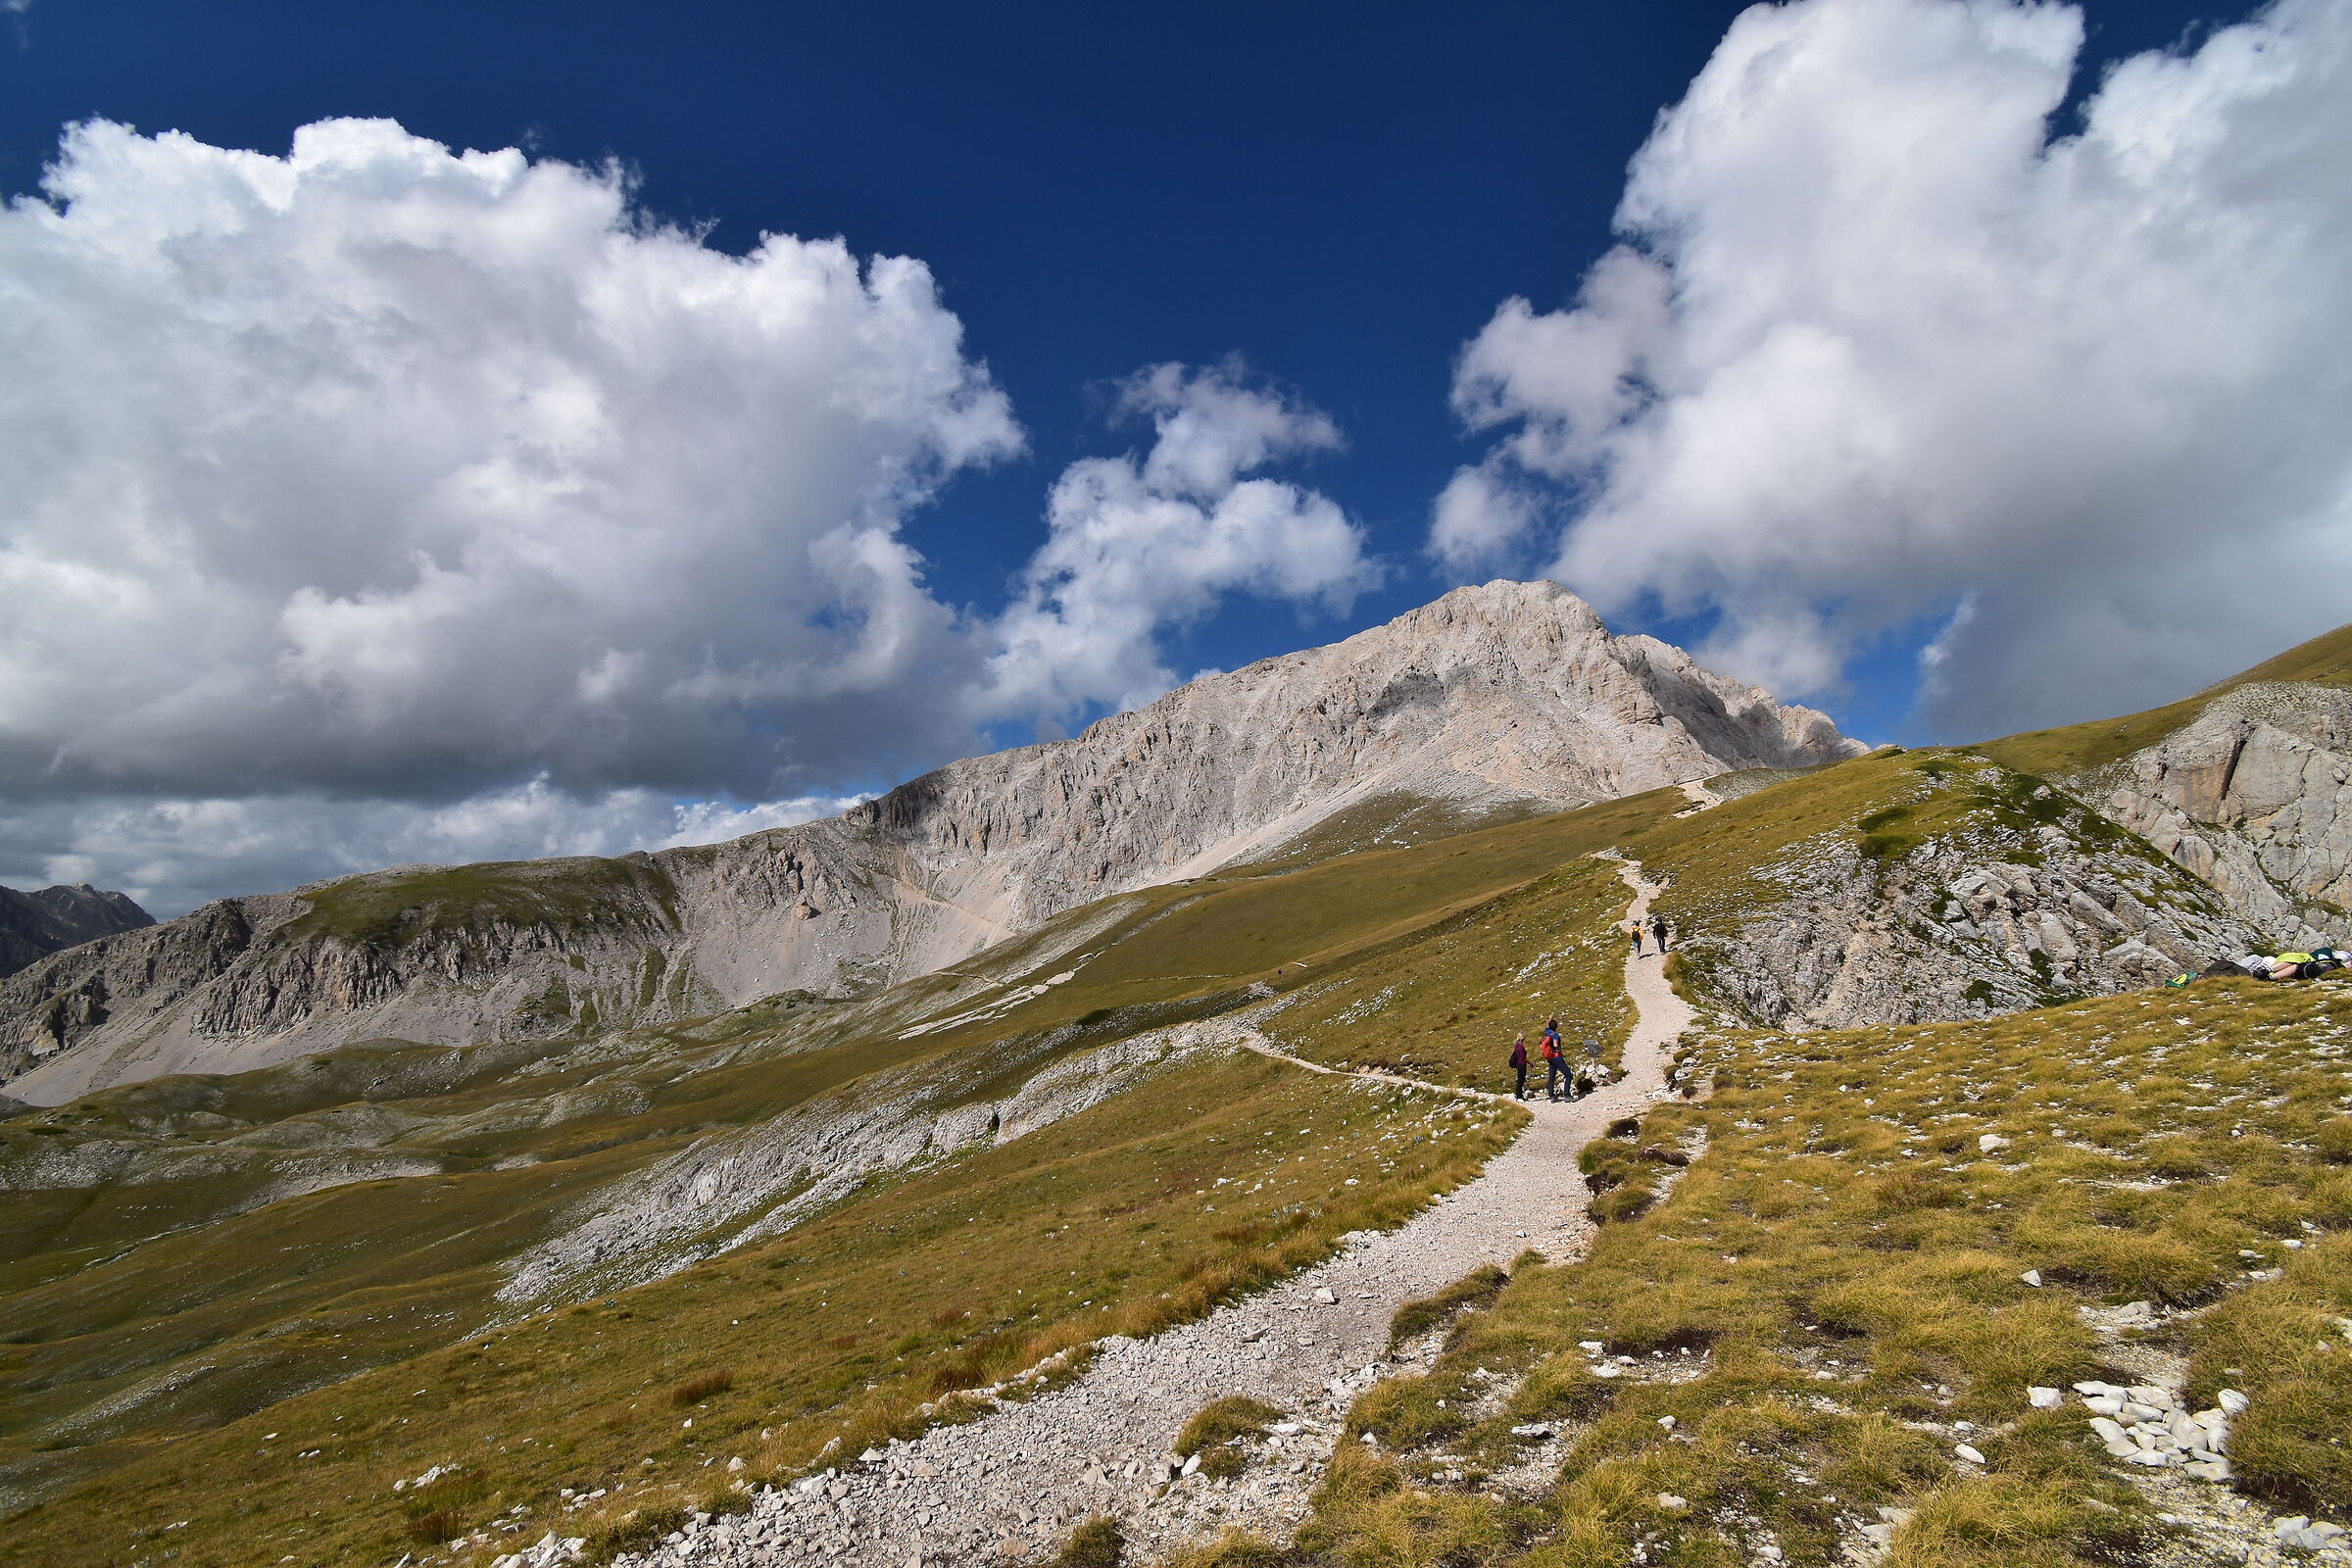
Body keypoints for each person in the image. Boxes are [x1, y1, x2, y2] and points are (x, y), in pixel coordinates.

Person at [1542, 1031, 1569, 1101]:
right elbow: (1555, 1044)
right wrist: (1561, 1052)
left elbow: (1548, 1024)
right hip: (1557, 1057)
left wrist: (1550, 1019)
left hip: (1550, 1058)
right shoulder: (1555, 1035)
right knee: (1569, 1075)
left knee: (1551, 1078)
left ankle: (1552, 1096)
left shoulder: (1547, 1032)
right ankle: (1567, 1095)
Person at [1508, 1032, 1529, 1100]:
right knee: (1521, 1080)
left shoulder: (1517, 1045)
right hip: (1521, 1064)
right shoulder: (1520, 1046)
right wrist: (1530, 1063)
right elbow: (1523, 1057)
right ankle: (1519, 1096)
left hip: (1518, 1064)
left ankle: (1519, 1094)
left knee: (1520, 1079)